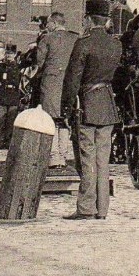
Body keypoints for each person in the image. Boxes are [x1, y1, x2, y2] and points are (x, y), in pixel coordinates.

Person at [61, 0, 123, 220]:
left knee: (87, 156)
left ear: (88, 19)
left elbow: (72, 80)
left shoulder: (83, 43)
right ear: (106, 20)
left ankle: (86, 207)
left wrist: (66, 109)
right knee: (102, 158)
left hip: (86, 103)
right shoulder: (116, 44)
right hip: (107, 103)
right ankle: (103, 207)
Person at [36, 11, 80, 167]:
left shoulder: (47, 39)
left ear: (54, 23)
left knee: (51, 119)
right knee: (65, 120)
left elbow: (40, 62)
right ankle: (63, 155)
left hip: (51, 83)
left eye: (48, 23)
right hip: (71, 84)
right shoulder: (75, 38)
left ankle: (54, 157)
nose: (47, 26)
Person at [0, 45, 22, 149]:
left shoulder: (18, 66)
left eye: (11, 54)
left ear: (14, 54)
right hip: (3, 95)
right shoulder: (1, 66)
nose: (9, 56)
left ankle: (9, 142)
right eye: (7, 53)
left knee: (11, 121)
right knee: (2, 120)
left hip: (13, 95)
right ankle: (1, 142)